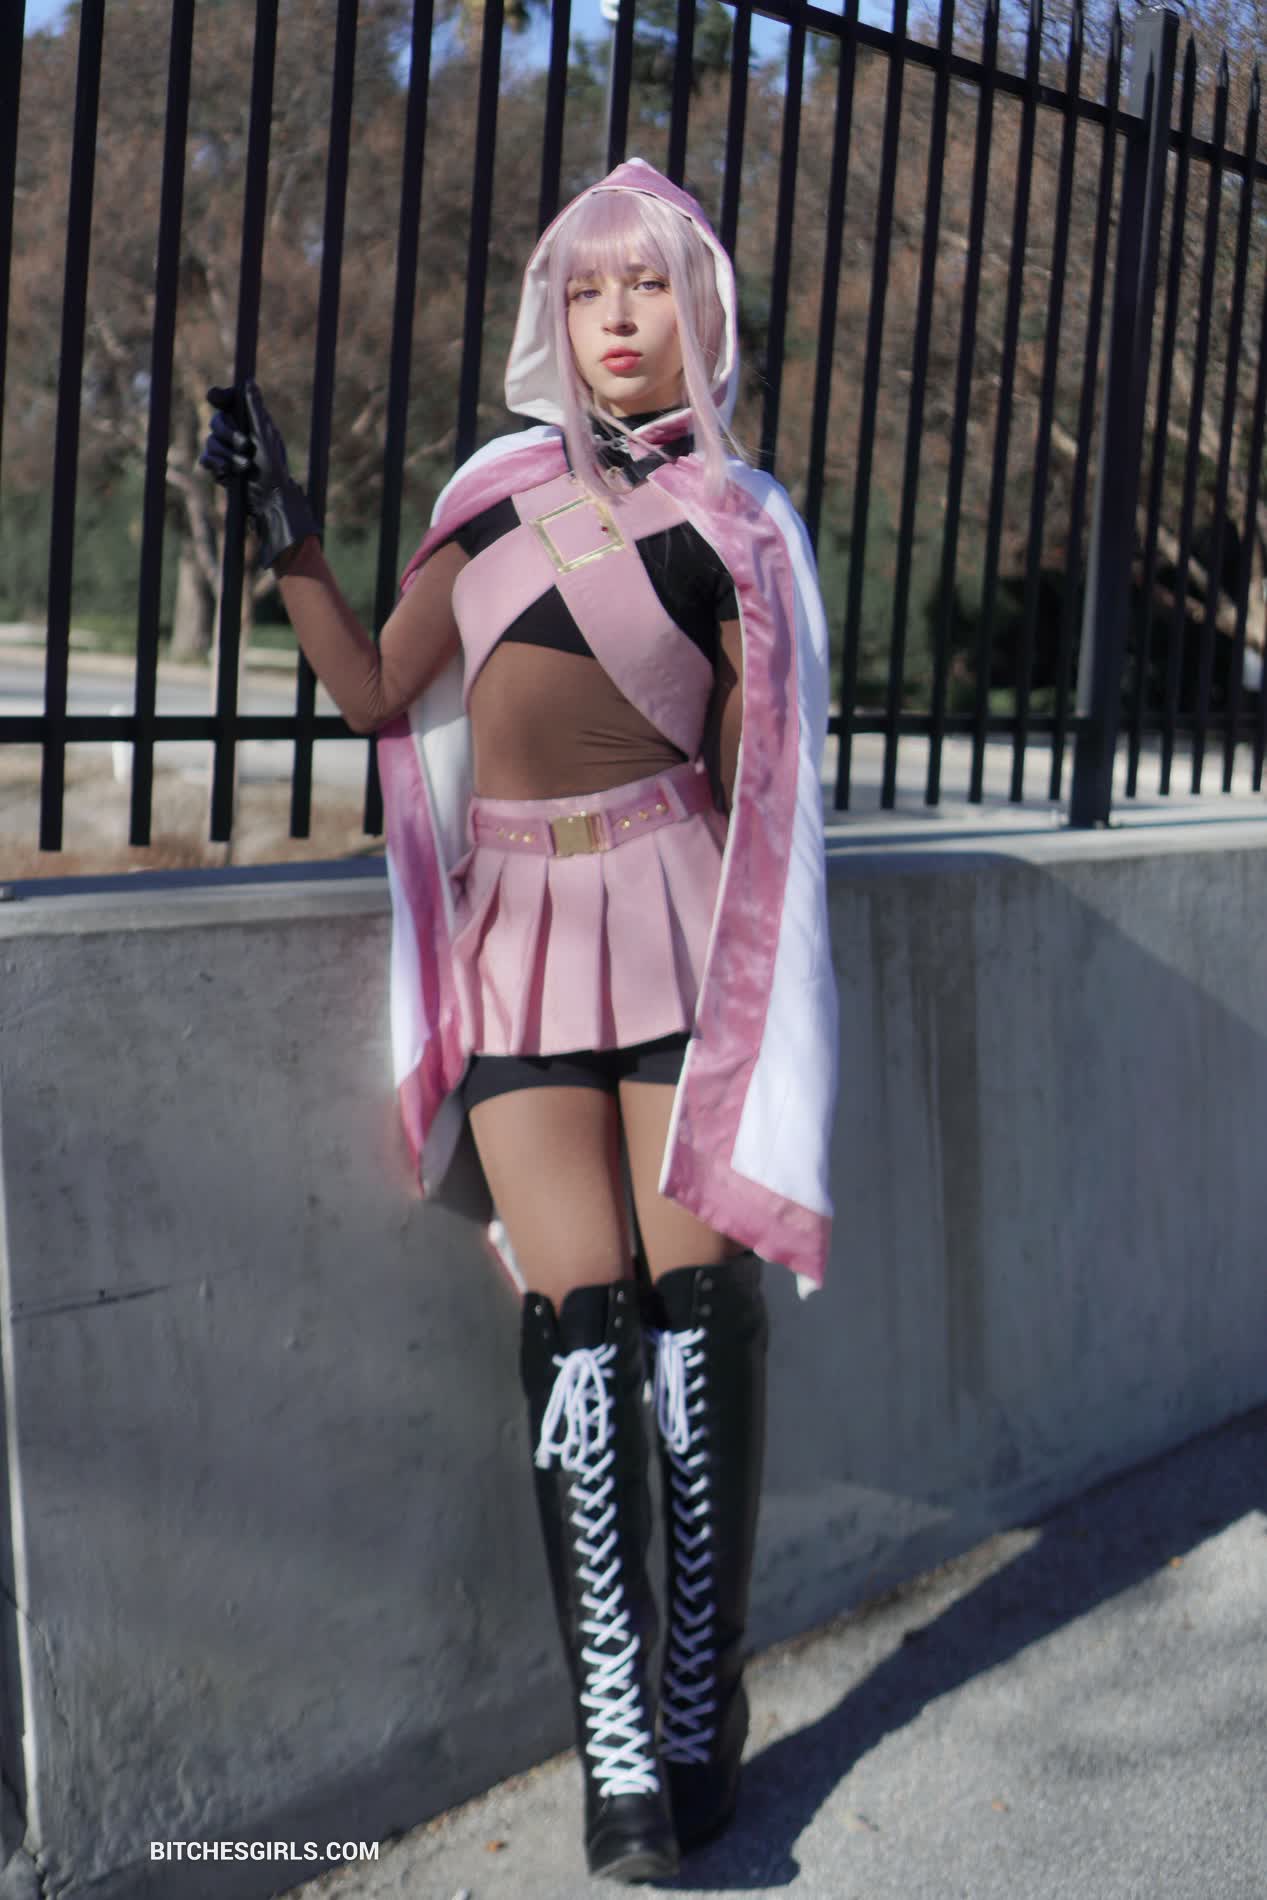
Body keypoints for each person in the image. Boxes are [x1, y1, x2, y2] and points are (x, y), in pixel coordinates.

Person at [201, 157, 838, 1885]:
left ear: (703, 313)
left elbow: (762, 789)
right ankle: (617, 1741)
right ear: (553, 314)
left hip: (685, 936)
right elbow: (374, 691)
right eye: (588, 287)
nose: (617, 316)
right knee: (581, 1319)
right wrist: (288, 533)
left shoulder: (744, 522)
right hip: (519, 944)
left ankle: (698, 1706)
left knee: (695, 1321)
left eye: (649, 286)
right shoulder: (487, 500)